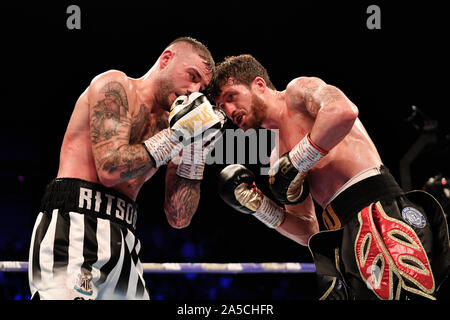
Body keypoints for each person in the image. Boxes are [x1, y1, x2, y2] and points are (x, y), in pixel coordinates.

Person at [210, 54, 450, 300]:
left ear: (259, 85)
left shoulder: (298, 92)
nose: (228, 110)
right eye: (221, 106)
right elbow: (308, 231)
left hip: (380, 212)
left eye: (231, 96)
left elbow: (343, 111)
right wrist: (259, 207)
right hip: (342, 237)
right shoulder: (276, 157)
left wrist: (298, 160)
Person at [28, 37, 226, 300]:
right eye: (192, 76)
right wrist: (178, 136)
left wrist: (195, 153)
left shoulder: (175, 124)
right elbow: (110, 170)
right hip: (75, 225)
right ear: (167, 58)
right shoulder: (115, 86)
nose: (193, 91)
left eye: (200, 88)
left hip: (124, 239)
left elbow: (179, 217)